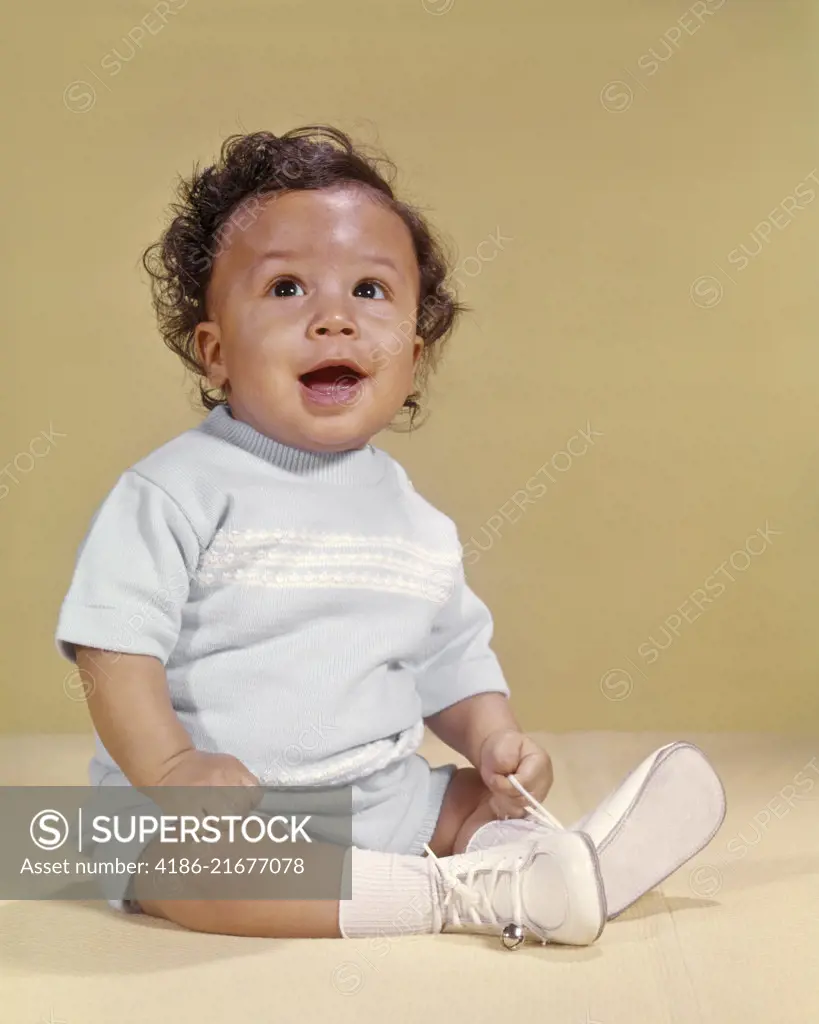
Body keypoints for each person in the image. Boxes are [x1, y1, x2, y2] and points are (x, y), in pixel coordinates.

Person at [54, 125, 721, 947]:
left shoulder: (416, 524)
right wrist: (168, 770)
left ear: (411, 351)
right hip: (209, 818)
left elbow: (450, 660)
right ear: (215, 351)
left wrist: (494, 742)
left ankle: (532, 856)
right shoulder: (173, 492)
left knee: (467, 801)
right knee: (190, 869)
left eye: (369, 292)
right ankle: (464, 895)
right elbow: (112, 650)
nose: (334, 319)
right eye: (287, 288)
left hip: (379, 801)